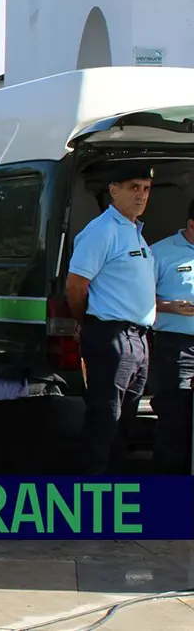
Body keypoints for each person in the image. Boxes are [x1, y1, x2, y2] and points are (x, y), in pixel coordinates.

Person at [65, 163, 156, 475]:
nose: (141, 195)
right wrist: (87, 321)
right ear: (113, 189)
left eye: (146, 188)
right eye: (134, 187)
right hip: (112, 336)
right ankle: (91, 496)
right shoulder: (102, 231)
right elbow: (76, 286)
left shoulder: (134, 232)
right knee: (105, 420)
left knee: (125, 422)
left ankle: (114, 492)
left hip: (138, 338)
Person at [149, 199, 194, 475]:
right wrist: (169, 306)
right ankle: (168, 498)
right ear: (191, 226)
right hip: (177, 347)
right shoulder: (160, 253)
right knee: (175, 421)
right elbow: (135, 300)